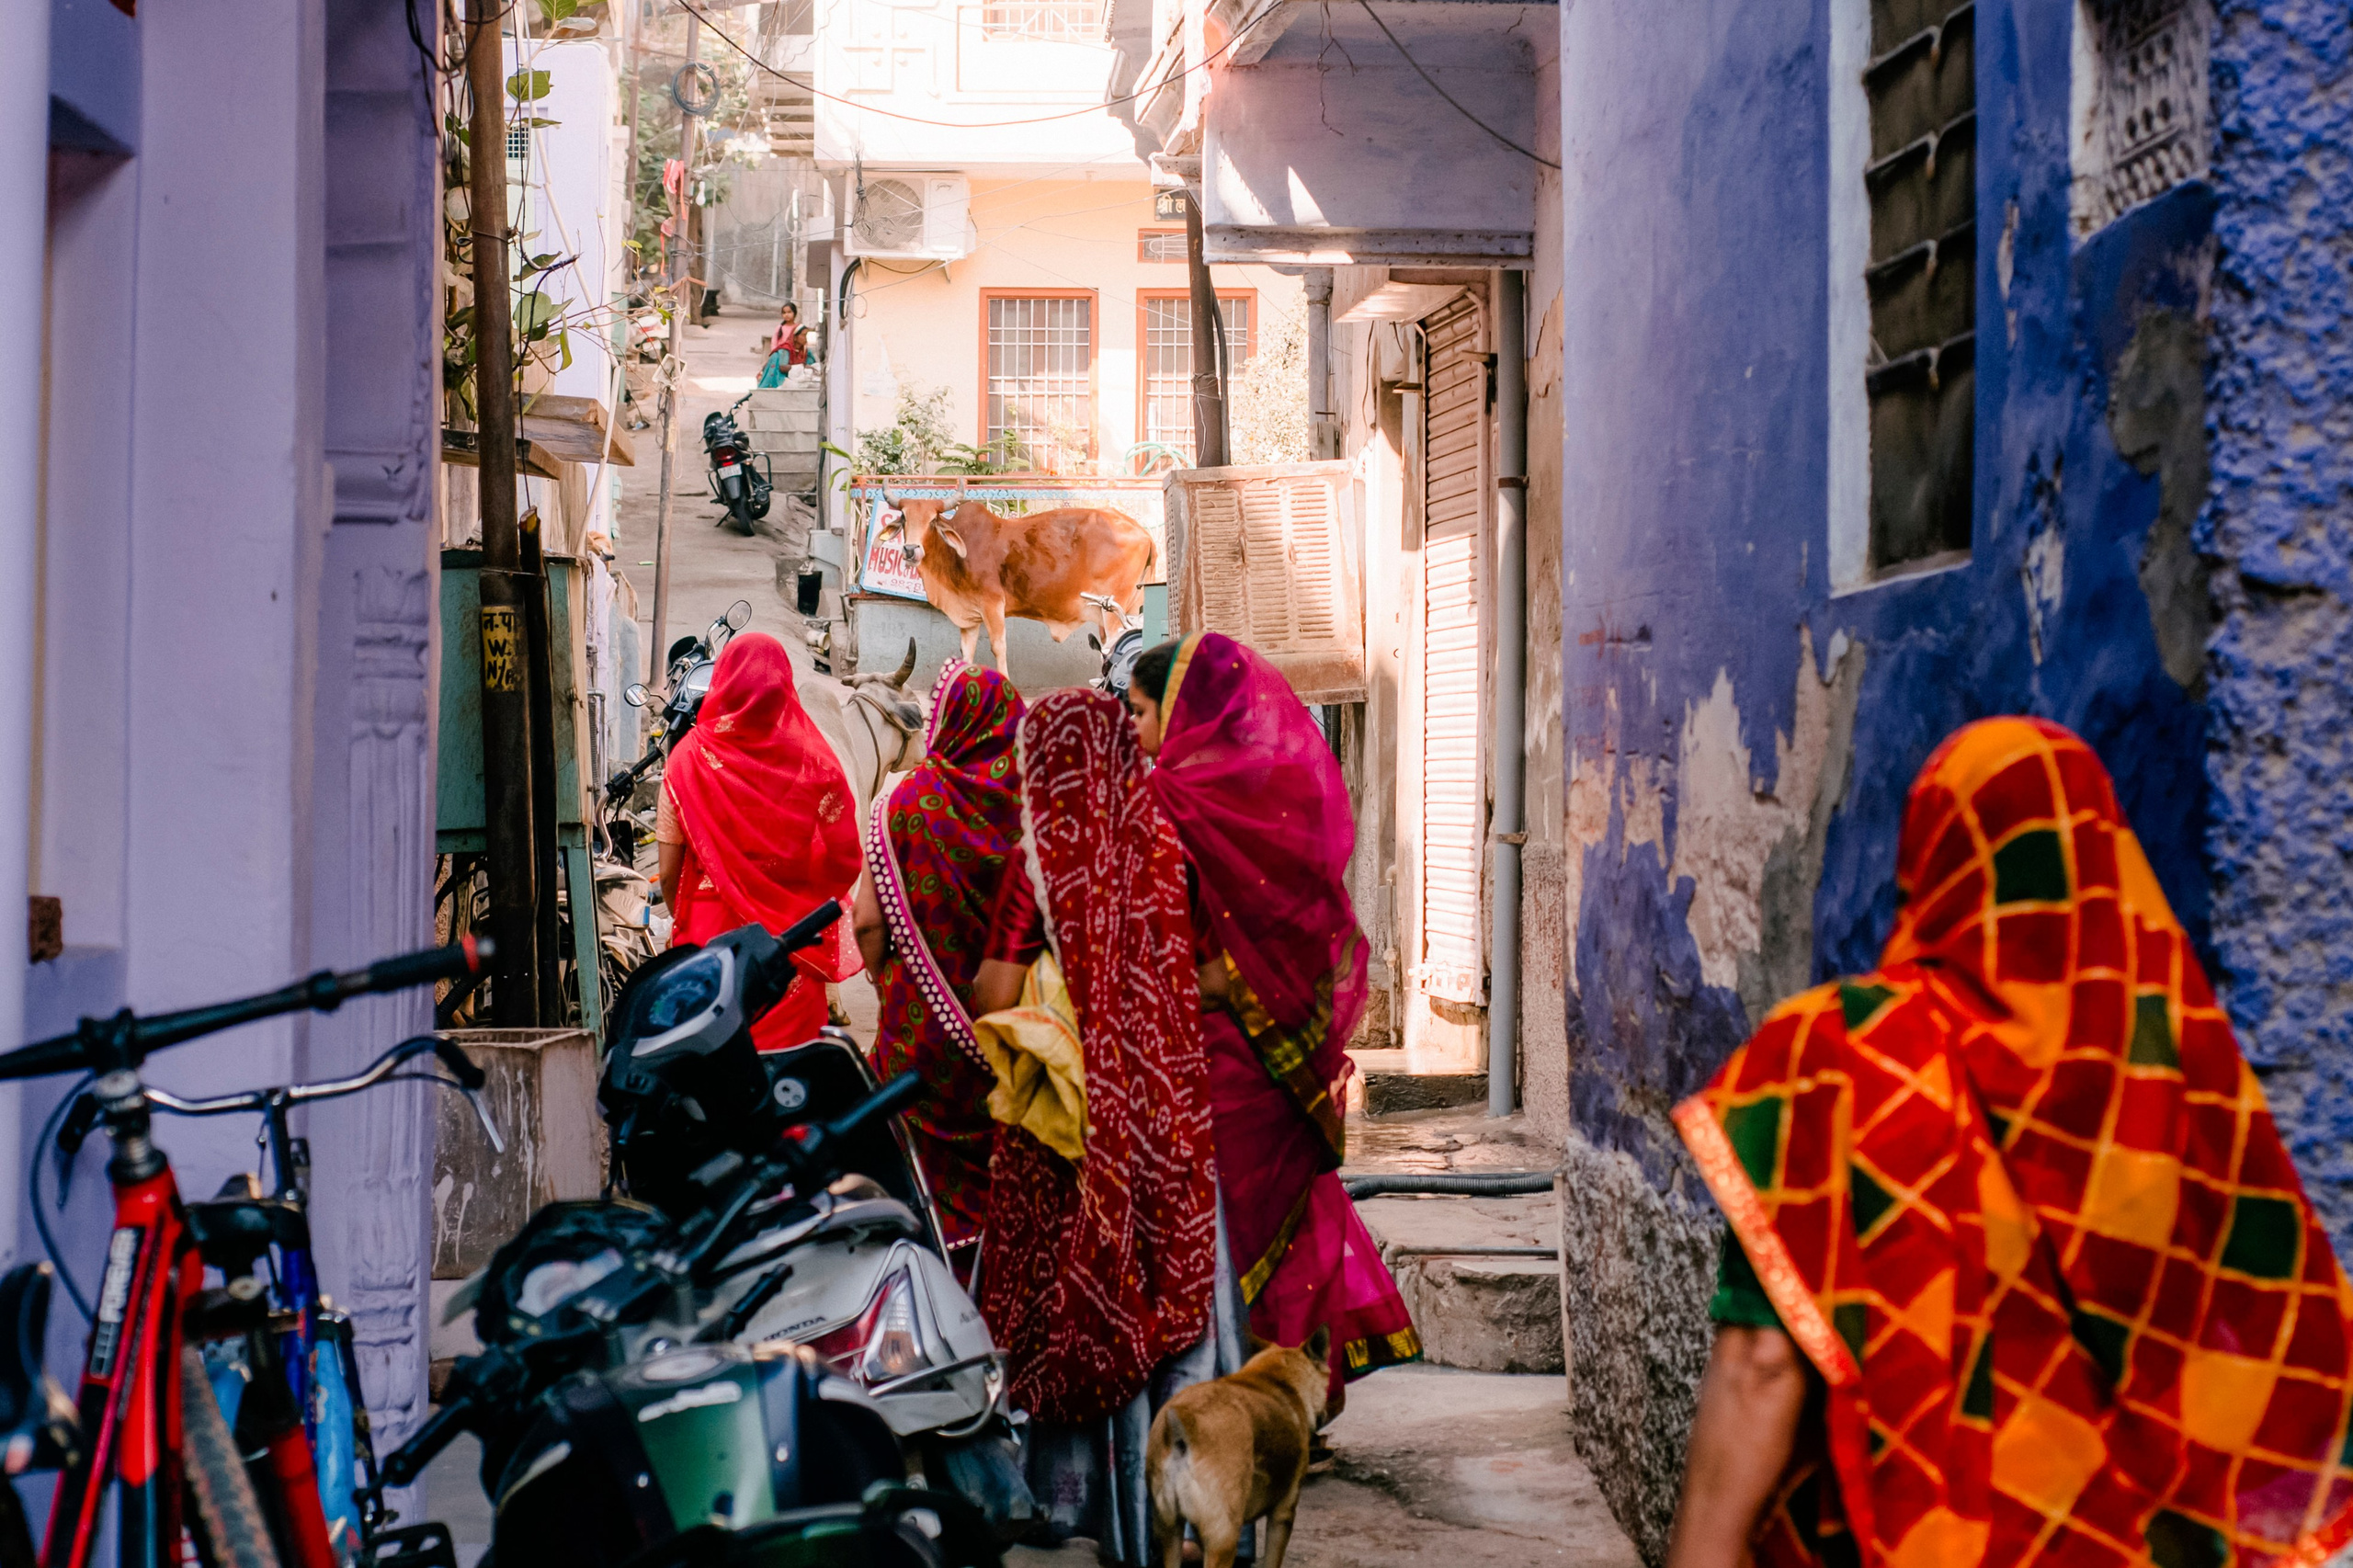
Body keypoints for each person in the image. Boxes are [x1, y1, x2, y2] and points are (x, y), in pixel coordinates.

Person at [1666, 717, 2353, 1568]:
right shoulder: (2171, 1082)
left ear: (1930, 859)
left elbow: (1763, 1360)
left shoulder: (1836, 1059)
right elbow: (2255, 1350)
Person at [969, 687, 1233, 1566]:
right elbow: (1217, 979)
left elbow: (995, 999)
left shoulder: (1036, 861)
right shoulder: (1166, 846)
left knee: (1074, 1314)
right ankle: (1178, 1526)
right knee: (1167, 1315)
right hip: (1167, 1126)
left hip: (1071, 1140)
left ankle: (1073, 1517)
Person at [1123, 633, 1418, 1414]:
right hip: (1284, 1046)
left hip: (1214, 1048)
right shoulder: (1271, 790)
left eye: (1142, 712)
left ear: (1181, 711)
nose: (1135, 731)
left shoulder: (1169, 802)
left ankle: (1256, 1401)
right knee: (1285, 1222)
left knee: (1237, 1226)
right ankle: (1296, 1396)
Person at [851, 660, 1027, 1284]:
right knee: (1001, 1161)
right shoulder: (1029, 811)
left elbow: (869, 922)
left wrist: (886, 980)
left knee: (915, 1165)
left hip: (915, 1032)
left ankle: (926, 1288)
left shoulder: (902, 802)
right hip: (1011, 1036)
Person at [654, 631, 861, 1050]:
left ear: (722, 683)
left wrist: (688, 923)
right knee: (790, 1082)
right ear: (784, 687)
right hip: (790, 945)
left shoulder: (687, 761)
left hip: (710, 943)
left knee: (715, 1073)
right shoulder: (815, 765)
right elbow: (843, 859)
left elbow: (668, 874)